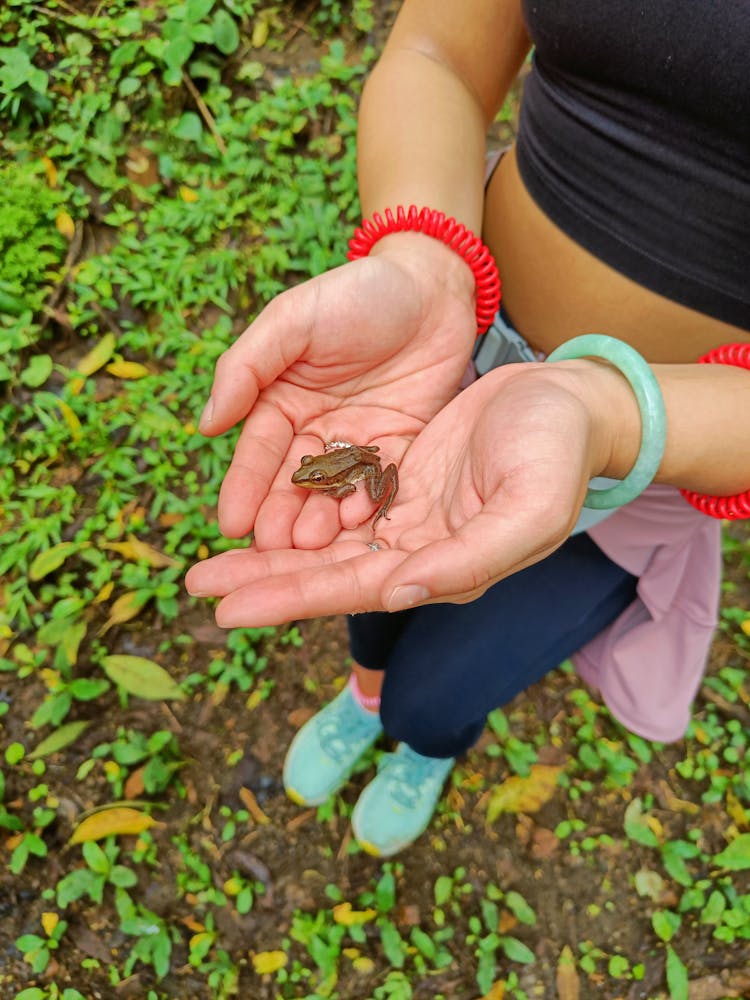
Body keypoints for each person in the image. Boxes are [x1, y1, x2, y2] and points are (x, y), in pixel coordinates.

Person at [185, 1, 750, 857]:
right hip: (449, 358)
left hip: (664, 457)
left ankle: (422, 743)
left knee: (438, 697)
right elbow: (435, 51)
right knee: (375, 581)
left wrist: (605, 414)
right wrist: (420, 263)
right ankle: (362, 695)